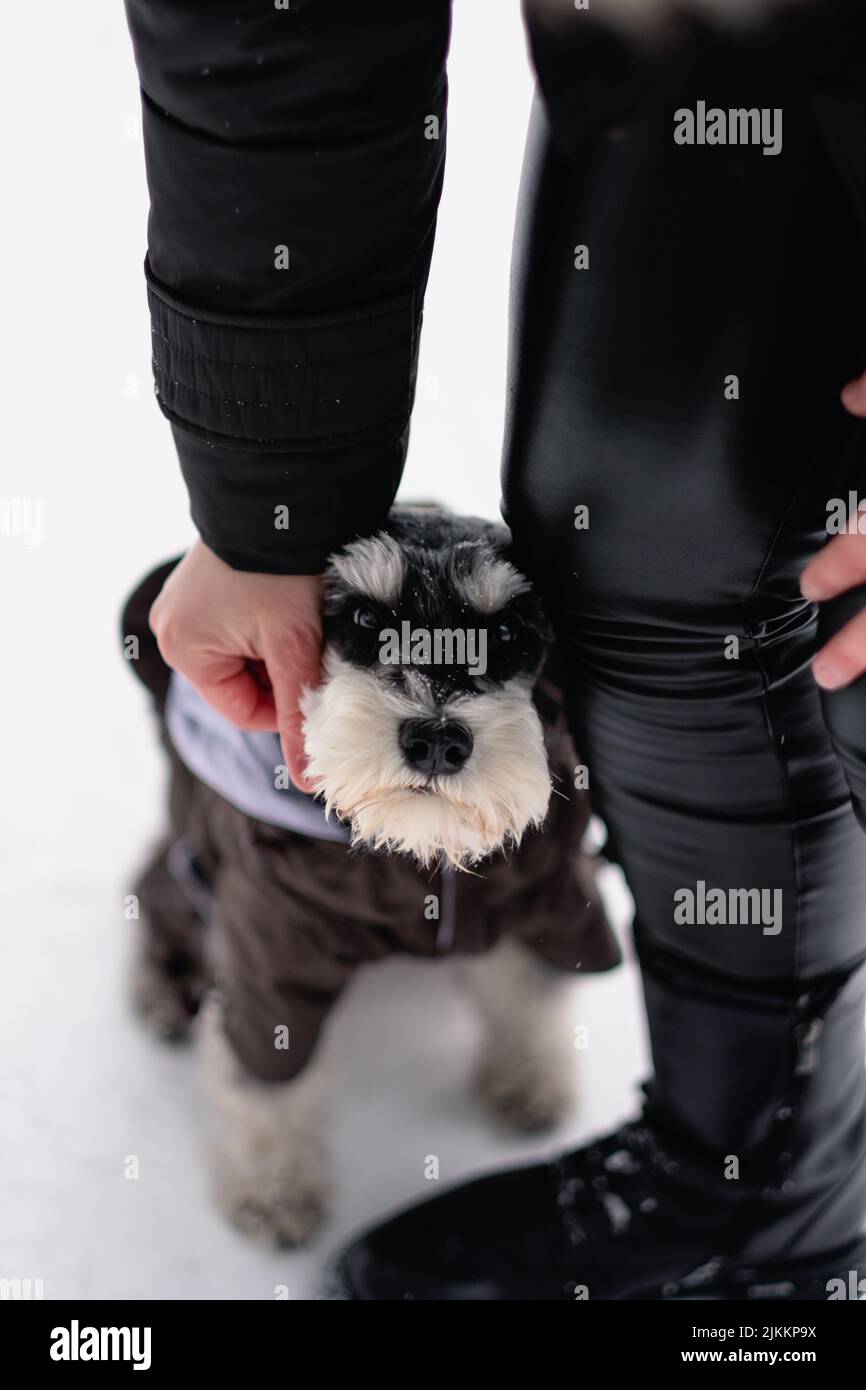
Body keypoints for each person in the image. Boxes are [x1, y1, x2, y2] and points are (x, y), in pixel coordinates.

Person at [124, 0, 866, 1298]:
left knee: (795, 589)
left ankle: (776, 1193)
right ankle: (743, 1176)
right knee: (655, 525)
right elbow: (275, 43)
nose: (432, 700)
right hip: (659, 62)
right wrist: (265, 507)